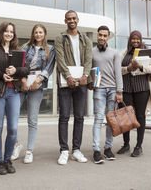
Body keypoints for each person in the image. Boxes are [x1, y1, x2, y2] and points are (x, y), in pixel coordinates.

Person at [0, 22, 29, 175]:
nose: (9, 34)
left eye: (11, 31)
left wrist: (16, 70)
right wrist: (1, 74)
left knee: (13, 128)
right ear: (1, 32)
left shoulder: (18, 51)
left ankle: (8, 160)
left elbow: (26, 69)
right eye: (6, 31)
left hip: (13, 92)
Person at [12, 24, 55, 164]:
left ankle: (29, 151)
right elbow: (20, 65)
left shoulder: (50, 49)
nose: (38, 34)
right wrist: (24, 80)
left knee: (32, 119)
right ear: (33, 34)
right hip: (22, 84)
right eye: (36, 32)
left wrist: (38, 80)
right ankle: (16, 145)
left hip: (37, 85)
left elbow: (49, 68)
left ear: (44, 34)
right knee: (13, 116)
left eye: (40, 32)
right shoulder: (25, 47)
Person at [54, 10, 93, 165]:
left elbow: (89, 59)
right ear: (65, 21)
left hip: (81, 82)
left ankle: (76, 150)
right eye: (69, 19)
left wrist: (85, 76)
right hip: (66, 82)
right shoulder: (60, 38)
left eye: (74, 18)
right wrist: (68, 76)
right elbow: (60, 58)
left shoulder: (86, 40)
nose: (71, 20)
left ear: (78, 20)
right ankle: (64, 150)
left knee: (79, 117)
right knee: (64, 116)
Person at [117, 30, 151, 157]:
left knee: (140, 116)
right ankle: (126, 144)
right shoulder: (124, 53)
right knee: (126, 117)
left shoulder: (146, 53)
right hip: (126, 89)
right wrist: (128, 68)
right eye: (133, 39)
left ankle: (138, 146)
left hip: (141, 89)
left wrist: (140, 67)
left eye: (137, 39)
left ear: (141, 40)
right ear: (130, 40)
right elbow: (118, 70)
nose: (135, 41)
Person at [89, 26, 123, 164]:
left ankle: (108, 148)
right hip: (99, 90)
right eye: (100, 35)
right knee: (98, 119)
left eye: (105, 35)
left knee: (110, 121)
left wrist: (119, 91)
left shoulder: (115, 53)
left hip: (113, 90)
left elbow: (118, 72)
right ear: (97, 36)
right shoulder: (91, 52)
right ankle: (96, 150)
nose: (102, 38)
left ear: (108, 37)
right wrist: (90, 83)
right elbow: (88, 70)